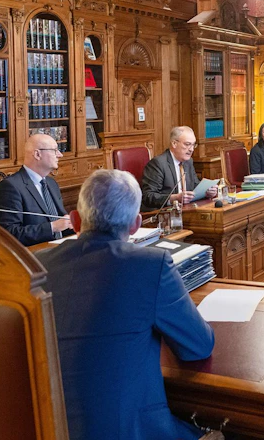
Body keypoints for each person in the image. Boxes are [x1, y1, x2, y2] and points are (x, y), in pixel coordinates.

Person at [35, 169, 216, 440]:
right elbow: (198, 346)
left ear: (75, 220)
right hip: (129, 430)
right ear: (135, 224)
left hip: (46, 428)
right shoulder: (151, 265)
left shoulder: (37, 265)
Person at [0, 133, 74, 246]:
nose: (60, 155)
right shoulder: (10, 187)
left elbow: (62, 223)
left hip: (59, 247)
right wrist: (52, 227)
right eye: (55, 150)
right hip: (34, 252)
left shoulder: (51, 183)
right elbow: (9, 234)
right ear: (37, 154)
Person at [140, 126, 217, 211]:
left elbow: (195, 186)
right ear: (174, 143)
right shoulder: (158, 163)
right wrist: (174, 198)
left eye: (193, 145)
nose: (191, 149)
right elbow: (148, 196)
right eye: (187, 144)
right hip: (165, 213)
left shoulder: (188, 162)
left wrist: (207, 193)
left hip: (187, 210)